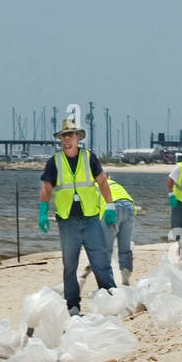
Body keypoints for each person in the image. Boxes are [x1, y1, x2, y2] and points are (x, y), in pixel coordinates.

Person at [38, 119, 117, 315]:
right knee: (70, 264)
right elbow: (47, 188)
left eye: (70, 135)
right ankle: (72, 304)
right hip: (67, 221)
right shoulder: (54, 162)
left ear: (78, 138)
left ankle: (110, 297)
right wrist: (42, 212)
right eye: (64, 135)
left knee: (101, 260)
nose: (67, 139)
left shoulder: (89, 157)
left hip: (90, 218)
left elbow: (102, 181)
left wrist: (110, 205)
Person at [81, 176, 137, 287]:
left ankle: (99, 280)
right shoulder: (113, 183)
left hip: (112, 209)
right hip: (129, 207)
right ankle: (125, 281)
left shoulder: (91, 187)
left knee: (103, 249)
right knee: (125, 249)